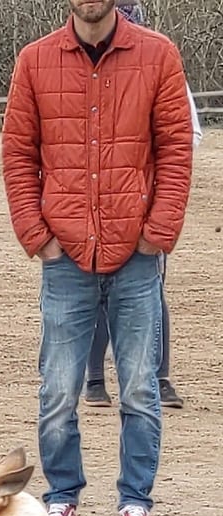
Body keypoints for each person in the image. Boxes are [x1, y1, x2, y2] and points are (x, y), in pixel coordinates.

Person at [2, 0, 193, 516]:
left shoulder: (158, 55)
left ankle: (136, 500)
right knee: (58, 388)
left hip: (136, 253)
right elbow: (18, 153)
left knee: (139, 386)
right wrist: (37, 236)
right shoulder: (34, 61)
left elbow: (175, 150)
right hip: (65, 253)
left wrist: (156, 233)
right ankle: (62, 494)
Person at [85, 13, 202, 411]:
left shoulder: (160, 62)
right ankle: (95, 379)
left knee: (152, 297)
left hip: (142, 210)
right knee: (95, 294)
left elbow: (187, 135)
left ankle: (160, 377)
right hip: (95, 208)